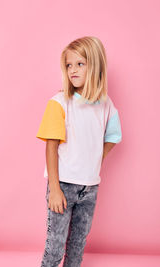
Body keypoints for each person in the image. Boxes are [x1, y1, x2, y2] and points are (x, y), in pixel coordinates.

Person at [36, 36, 122, 267]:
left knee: (77, 246)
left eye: (79, 64)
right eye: (68, 65)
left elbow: (113, 137)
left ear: (95, 66)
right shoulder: (59, 102)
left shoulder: (106, 104)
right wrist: (54, 188)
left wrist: (96, 159)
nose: (72, 70)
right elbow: (51, 147)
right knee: (55, 246)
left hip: (90, 188)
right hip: (63, 185)